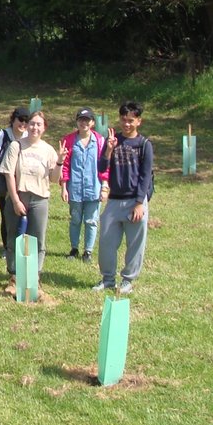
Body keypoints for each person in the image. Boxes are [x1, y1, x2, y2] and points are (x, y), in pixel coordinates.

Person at [0, 111, 65, 294]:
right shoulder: (16, 146)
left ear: (44, 128)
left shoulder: (48, 150)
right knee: (14, 237)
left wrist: (59, 162)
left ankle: (34, 277)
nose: (35, 127)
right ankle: (14, 277)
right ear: (27, 126)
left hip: (40, 199)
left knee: (38, 239)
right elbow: (8, 174)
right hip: (19, 195)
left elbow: (53, 179)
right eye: (32, 124)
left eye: (39, 124)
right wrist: (14, 200)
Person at [94, 101, 154, 295]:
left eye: (131, 120)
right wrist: (109, 150)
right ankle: (108, 279)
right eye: (123, 119)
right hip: (114, 200)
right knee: (106, 243)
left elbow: (145, 176)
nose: (126, 124)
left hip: (135, 201)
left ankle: (128, 280)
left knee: (135, 244)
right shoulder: (112, 140)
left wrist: (139, 203)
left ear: (139, 121)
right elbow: (101, 169)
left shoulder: (144, 145)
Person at [59, 108, 109, 263]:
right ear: (77, 122)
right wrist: (63, 187)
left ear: (93, 122)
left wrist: (105, 186)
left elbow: (105, 165)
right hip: (74, 188)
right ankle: (74, 248)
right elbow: (64, 166)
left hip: (93, 187)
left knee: (91, 221)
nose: (84, 123)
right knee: (75, 219)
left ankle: (88, 251)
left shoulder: (100, 141)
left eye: (87, 120)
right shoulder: (68, 140)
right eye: (81, 119)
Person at [0, 107, 30, 254]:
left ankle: (22, 246)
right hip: (3, 183)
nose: (23, 123)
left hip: (23, 182)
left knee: (24, 214)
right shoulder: (3, 134)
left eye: (26, 121)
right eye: (20, 120)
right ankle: (7, 247)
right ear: (13, 120)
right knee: (8, 216)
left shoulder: (29, 136)